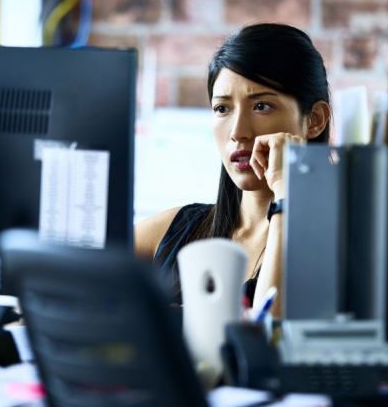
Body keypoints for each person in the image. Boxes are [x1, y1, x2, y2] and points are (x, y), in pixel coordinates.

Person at [135, 23, 331, 317]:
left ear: (314, 120)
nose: (238, 132)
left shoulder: (337, 245)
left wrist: (287, 195)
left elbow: (271, 332)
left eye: (261, 106)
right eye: (222, 108)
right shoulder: (172, 231)